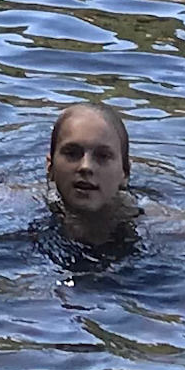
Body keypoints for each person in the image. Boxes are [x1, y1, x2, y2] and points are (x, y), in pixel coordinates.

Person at [43, 101, 136, 257]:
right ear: (50, 167)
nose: (86, 167)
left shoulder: (154, 222)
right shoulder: (19, 205)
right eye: (72, 153)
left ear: (124, 173)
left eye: (103, 156)